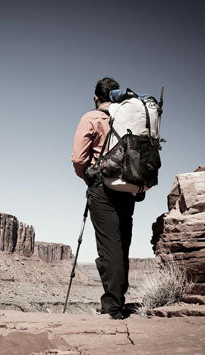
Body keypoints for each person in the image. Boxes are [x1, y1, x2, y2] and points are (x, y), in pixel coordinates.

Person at [71, 77, 136, 320]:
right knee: (122, 244)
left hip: (103, 188)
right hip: (128, 187)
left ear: (96, 97)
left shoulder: (92, 118)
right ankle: (118, 299)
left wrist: (87, 176)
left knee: (109, 246)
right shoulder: (127, 118)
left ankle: (113, 306)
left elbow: (79, 159)